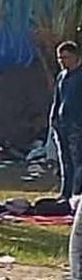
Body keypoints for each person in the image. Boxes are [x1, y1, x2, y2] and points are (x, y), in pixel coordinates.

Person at [49, 41, 82, 202]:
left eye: (65, 57)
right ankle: (65, 192)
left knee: (78, 161)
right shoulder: (62, 76)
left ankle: (77, 194)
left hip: (78, 126)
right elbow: (57, 99)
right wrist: (53, 119)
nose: (62, 61)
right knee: (65, 160)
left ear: (76, 57)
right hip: (62, 125)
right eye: (59, 58)